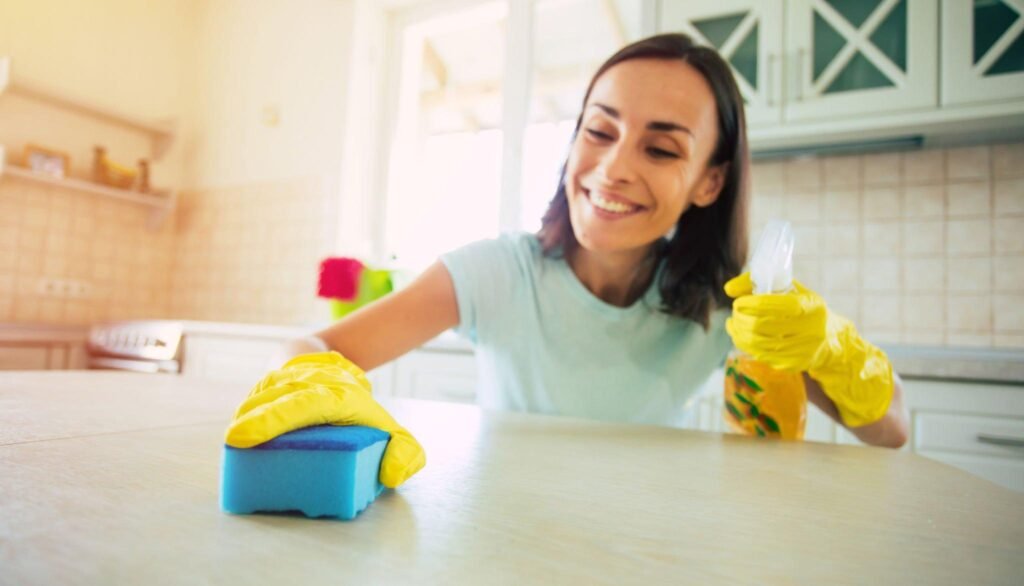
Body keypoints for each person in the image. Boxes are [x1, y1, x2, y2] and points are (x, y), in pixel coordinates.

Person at [224, 34, 909, 489]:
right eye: (599, 130)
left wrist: (828, 348)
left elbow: (890, 432)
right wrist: (314, 379)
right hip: (503, 535)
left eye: (662, 149)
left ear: (710, 181)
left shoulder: (728, 307)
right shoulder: (499, 273)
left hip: (647, 544)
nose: (612, 170)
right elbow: (318, 344)